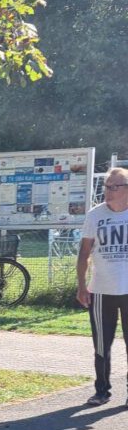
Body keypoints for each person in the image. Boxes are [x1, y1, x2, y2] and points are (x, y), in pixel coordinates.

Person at [77, 166, 128, 406]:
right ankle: (101, 390)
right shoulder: (95, 215)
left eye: (113, 187)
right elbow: (84, 252)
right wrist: (81, 286)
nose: (107, 191)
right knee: (101, 344)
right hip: (100, 290)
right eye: (106, 187)